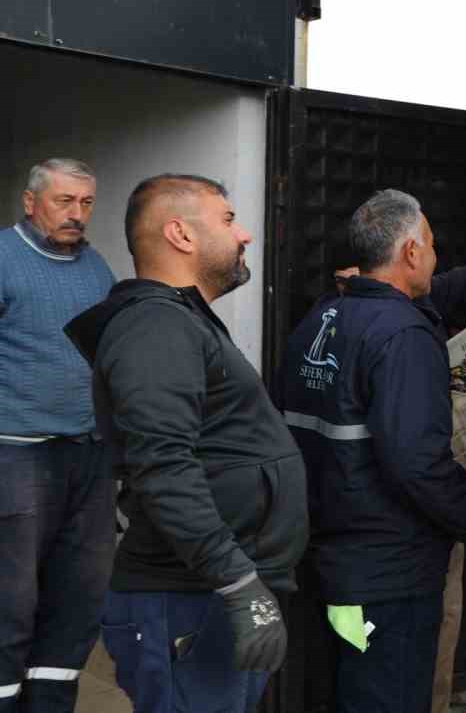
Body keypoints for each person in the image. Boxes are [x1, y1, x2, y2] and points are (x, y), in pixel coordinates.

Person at [65, 175, 302, 713]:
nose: (244, 234)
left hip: (211, 595)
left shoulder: (180, 320)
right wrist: (239, 583)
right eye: (227, 219)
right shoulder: (154, 326)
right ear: (180, 234)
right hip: (186, 600)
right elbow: (163, 467)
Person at [279, 190, 466, 713]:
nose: (434, 254)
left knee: (348, 690)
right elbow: (418, 462)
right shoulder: (403, 335)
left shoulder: (322, 319)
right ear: (410, 251)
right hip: (389, 574)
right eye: (429, 243)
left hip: (330, 560)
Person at [331, 252, 466, 713]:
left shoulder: (409, 299)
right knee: (400, 669)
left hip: (369, 544)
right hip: (399, 543)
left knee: (388, 665)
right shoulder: (389, 330)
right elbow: (414, 461)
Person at [0, 159, 117, 713]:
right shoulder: (2, 259)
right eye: (63, 201)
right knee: (11, 602)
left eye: (85, 203)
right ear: (31, 202)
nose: (76, 214)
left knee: (77, 599)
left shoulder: (97, 270)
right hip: (17, 457)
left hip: (88, 457)